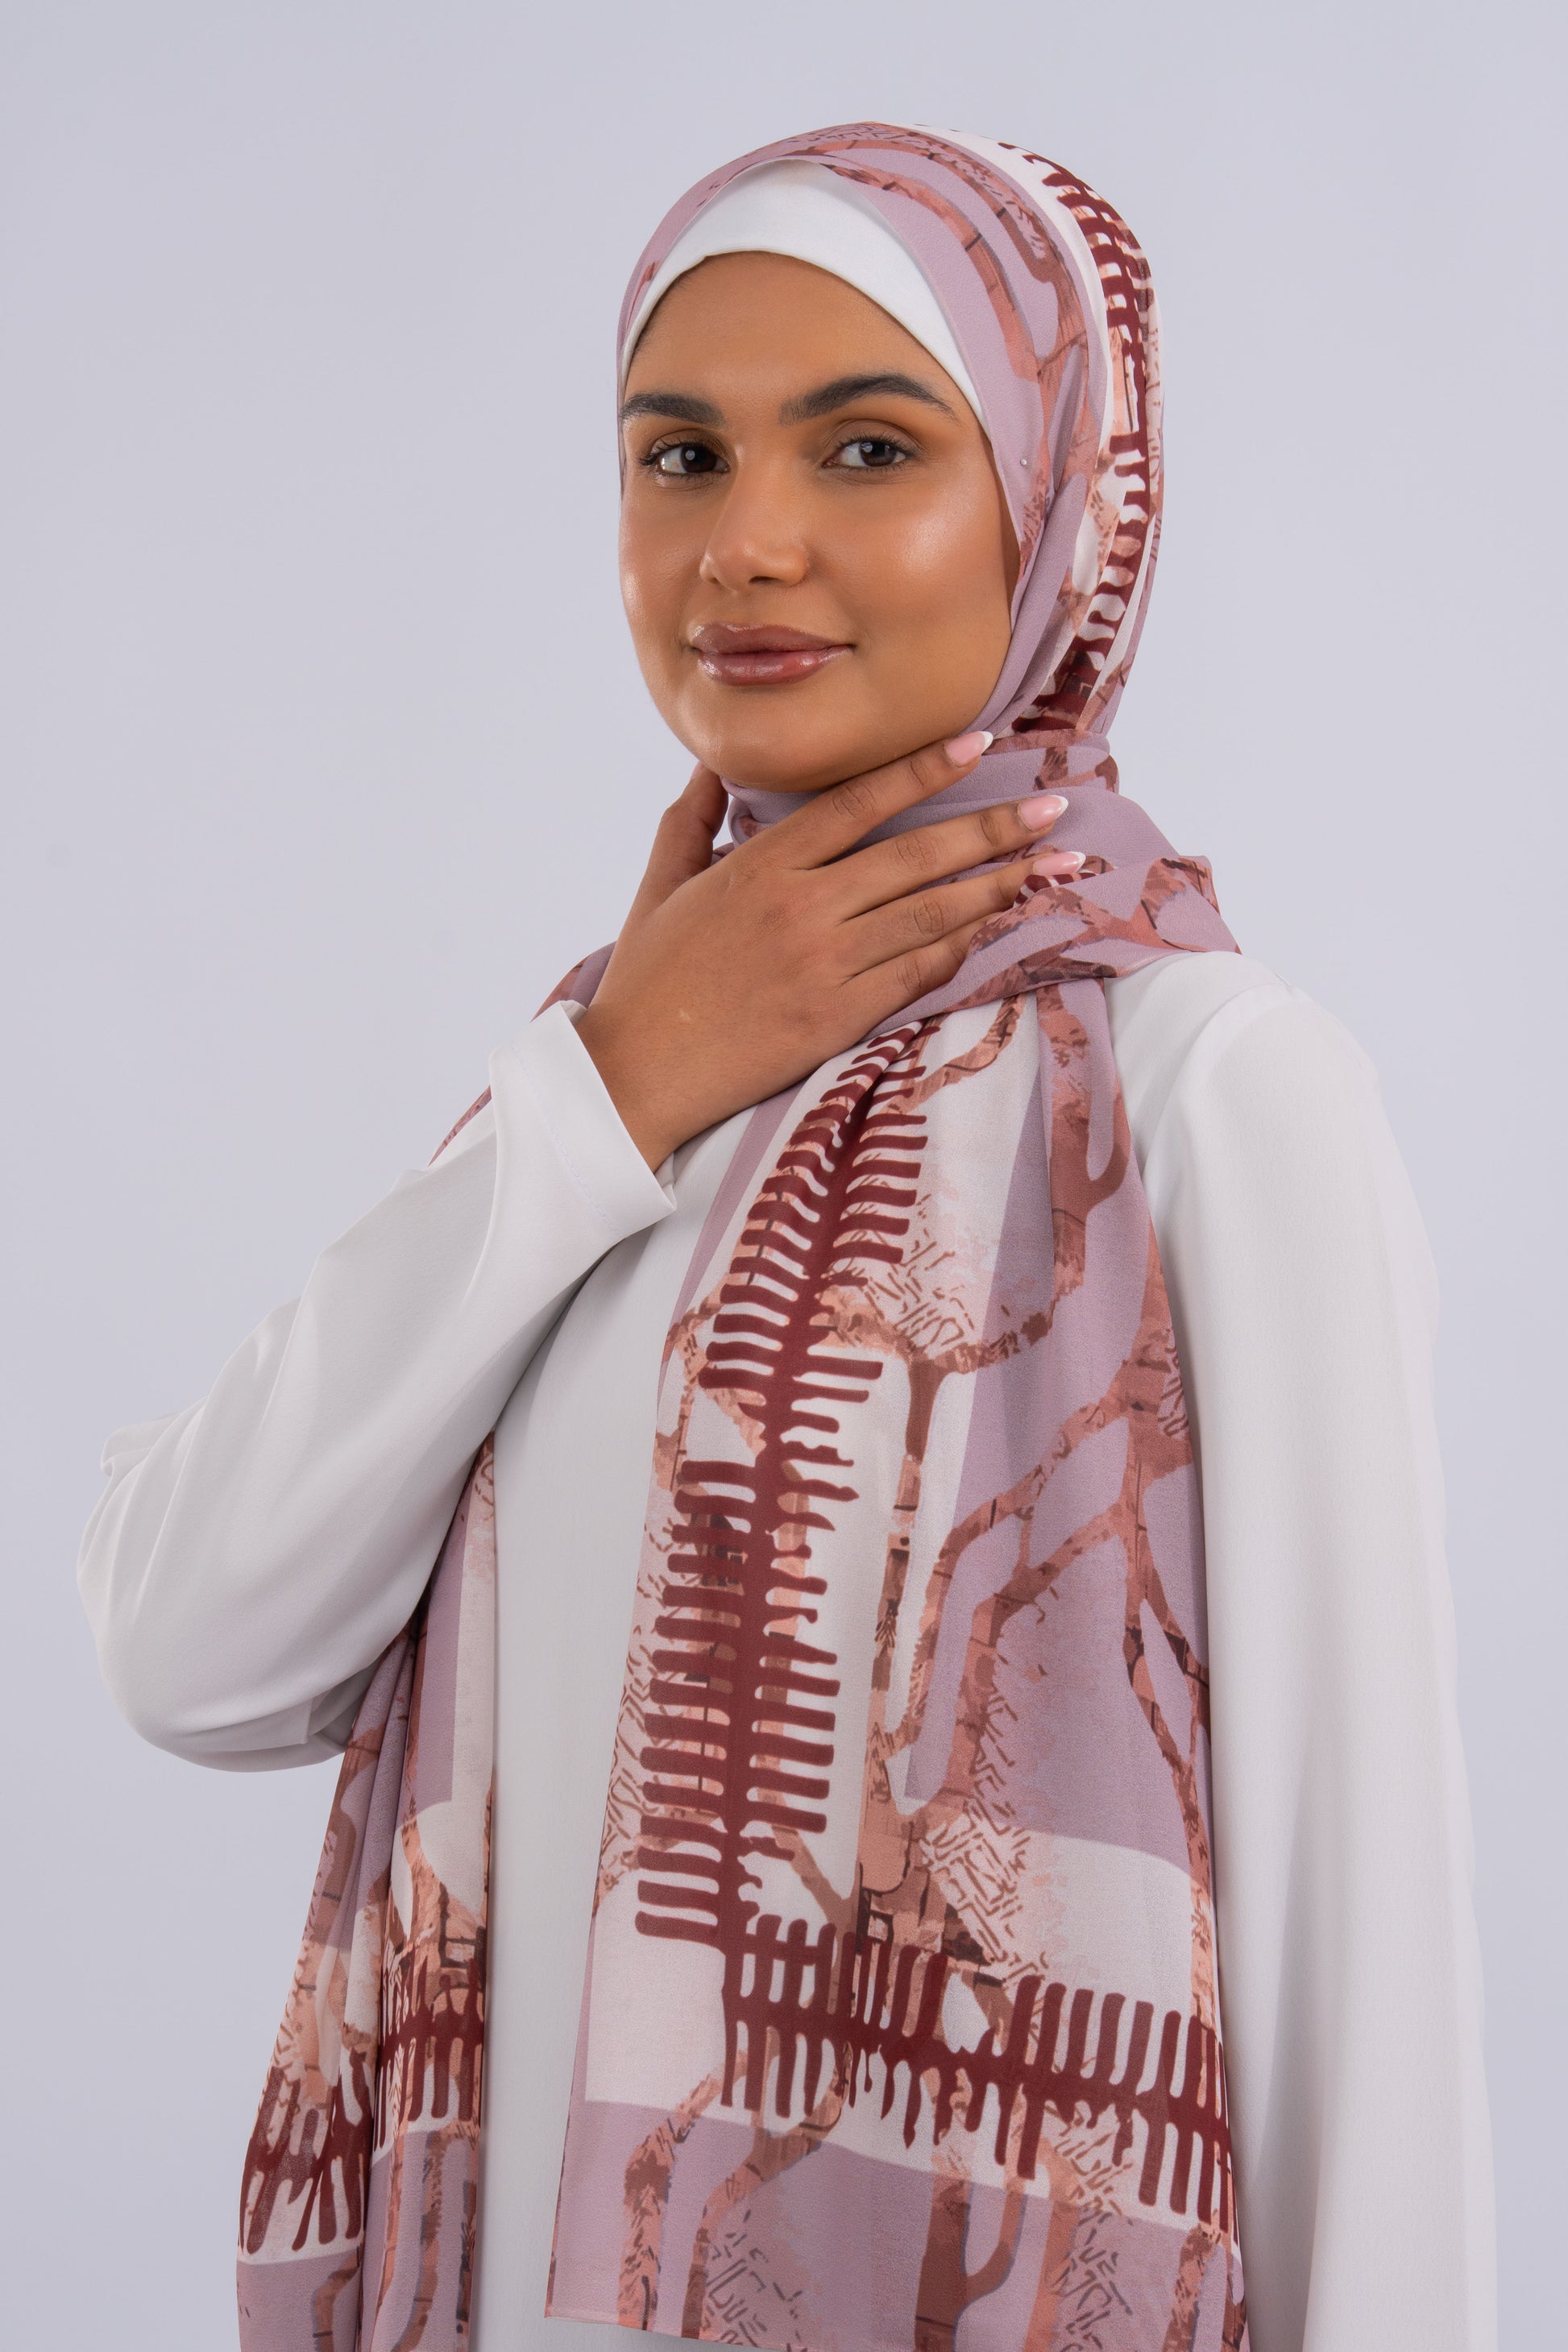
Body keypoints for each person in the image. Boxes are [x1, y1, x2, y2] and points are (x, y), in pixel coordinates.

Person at [79, 125, 1494, 2352]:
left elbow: (1360, 1963)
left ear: (1059, 503)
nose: (745, 542)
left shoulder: (1207, 1087)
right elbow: (190, 1648)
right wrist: (612, 1088)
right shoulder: (600, 1097)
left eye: (867, 446)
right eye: (680, 455)